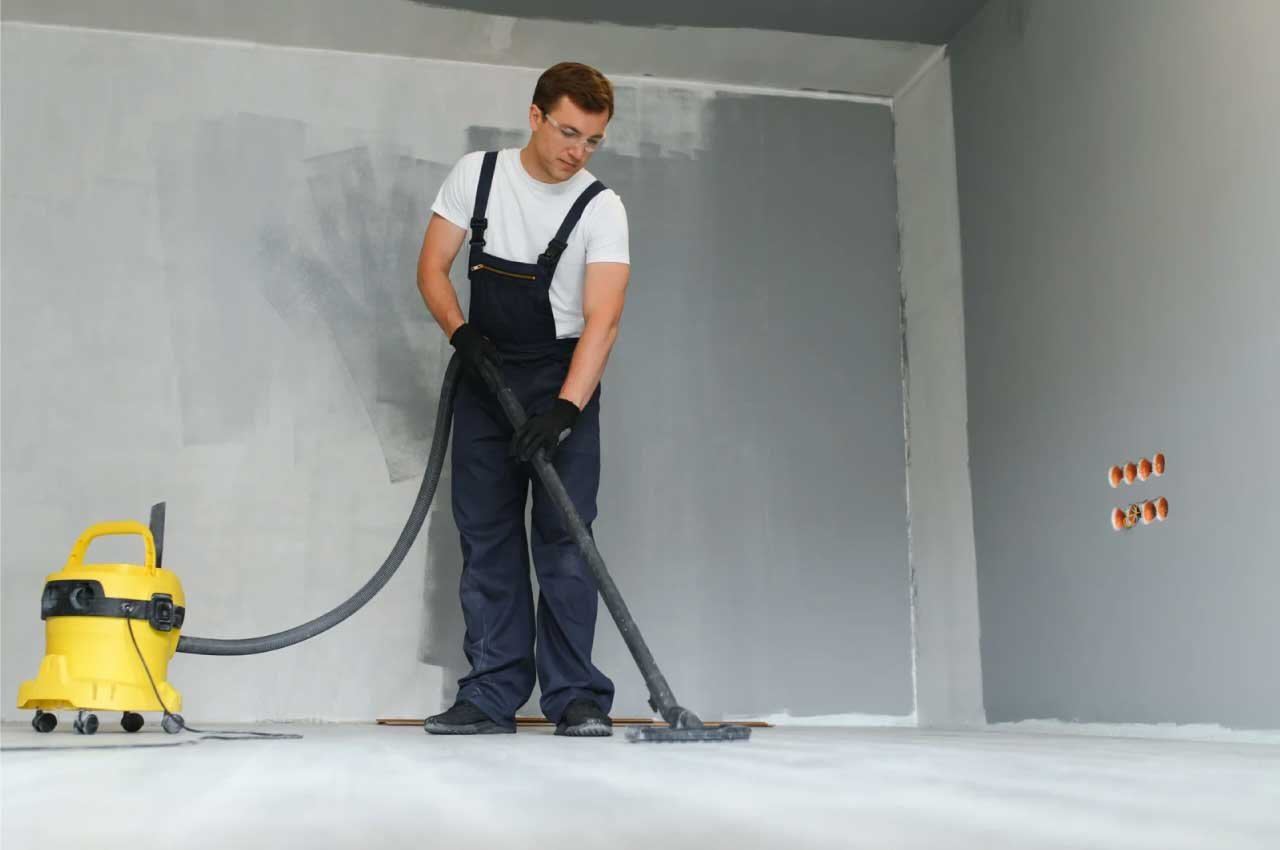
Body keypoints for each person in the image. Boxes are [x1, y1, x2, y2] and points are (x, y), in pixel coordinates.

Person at [416, 62, 630, 737]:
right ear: (536, 116)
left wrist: (567, 408)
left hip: (564, 376)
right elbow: (431, 267)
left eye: (592, 140)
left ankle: (576, 698)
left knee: (566, 539)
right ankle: (489, 694)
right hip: (485, 378)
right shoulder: (475, 177)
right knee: (487, 537)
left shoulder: (602, 207)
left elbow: (603, 319)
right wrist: (461, 333)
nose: (578, 151)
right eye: (569, 132)